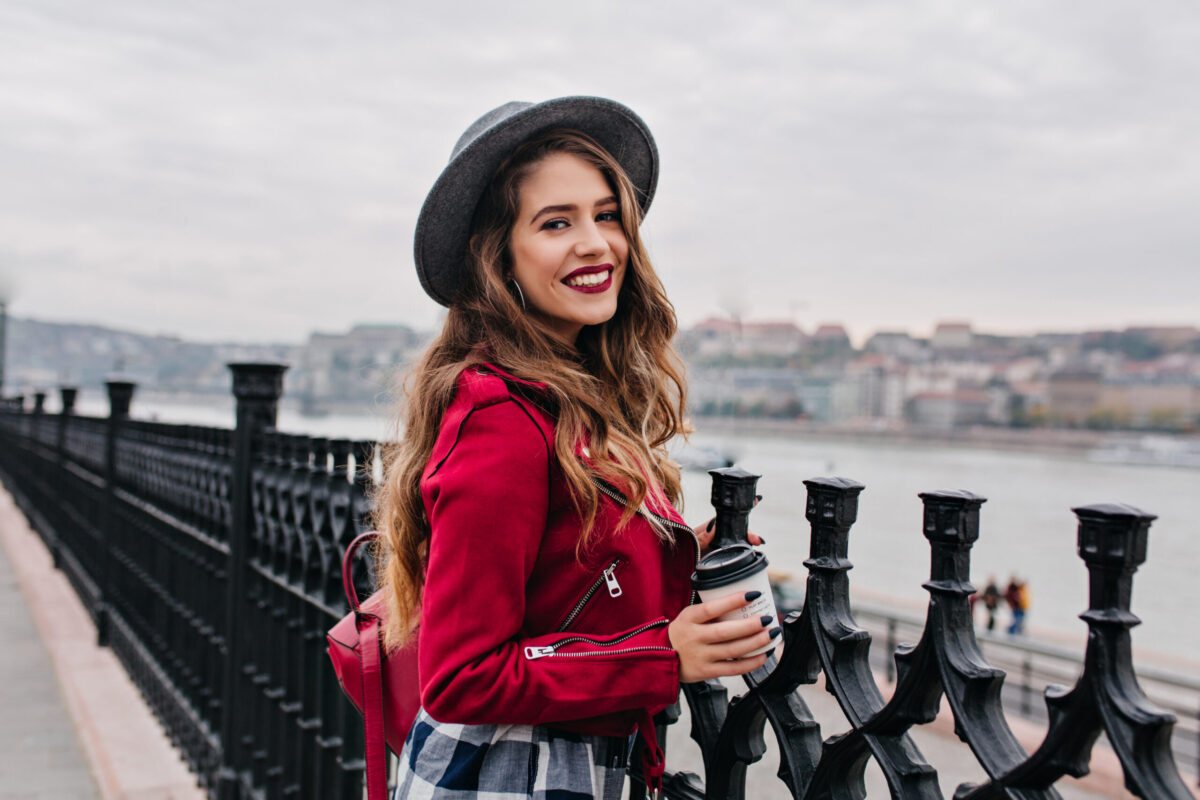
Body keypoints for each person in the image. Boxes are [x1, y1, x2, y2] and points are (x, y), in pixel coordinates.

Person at [373, 97, 776, 800]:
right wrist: (662, 658)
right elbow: (462, 676)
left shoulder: (565, 397)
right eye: (557, 222)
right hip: (510, 774)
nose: (596, 243)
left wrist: (674, 554)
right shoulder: (501, 419)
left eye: (606, 214)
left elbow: (561, 581)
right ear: (497, 256)